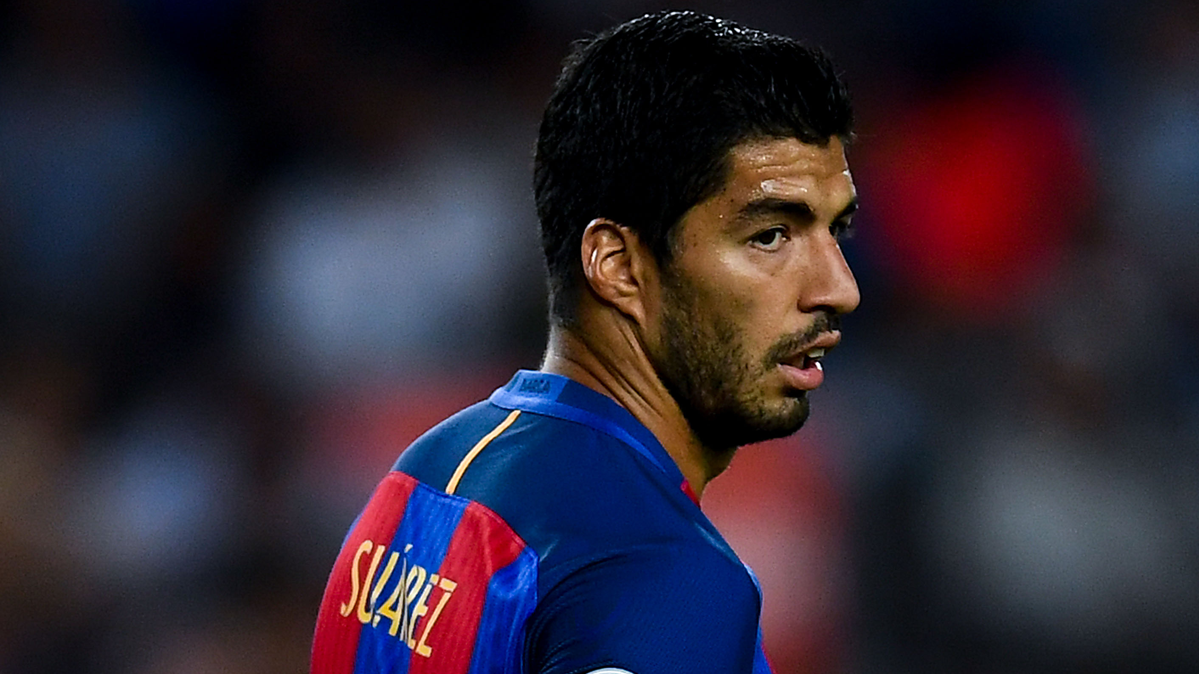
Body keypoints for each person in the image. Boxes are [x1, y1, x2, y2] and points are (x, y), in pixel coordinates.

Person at [311, 9, 859, 674]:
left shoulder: (419, 479)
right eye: (769, 235)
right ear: (619, 265)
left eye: (837, 231)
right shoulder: (660, 574)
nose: (837, 287)